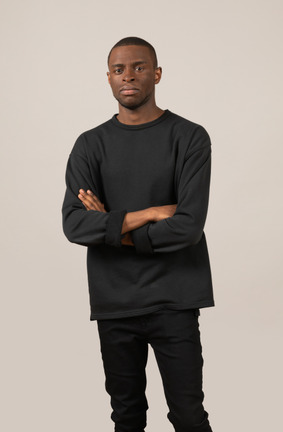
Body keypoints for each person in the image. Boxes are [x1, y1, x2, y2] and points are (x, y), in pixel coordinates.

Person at [62, 36, 215, 432]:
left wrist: (113, 226)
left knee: (189, 417)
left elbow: (188, 225)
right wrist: (146, 214)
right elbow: (75, 224)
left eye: (139, 67)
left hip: (176, 299)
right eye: (118, 69)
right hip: (115, 302)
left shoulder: (190, 137)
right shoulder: (89, 145)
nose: (128, 76)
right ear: (109, 78)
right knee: (126, 417)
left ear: (157, 74)